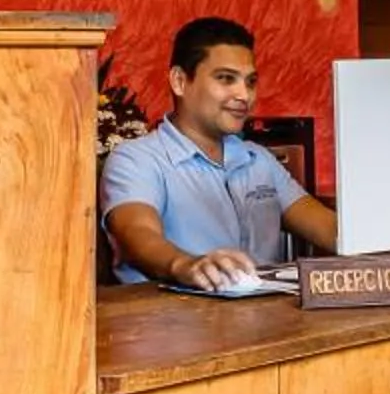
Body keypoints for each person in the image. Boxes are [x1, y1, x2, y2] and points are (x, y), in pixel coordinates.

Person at [103, 16, 337, 289]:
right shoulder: (136, 159)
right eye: (226, 79)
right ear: (179, 81)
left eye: (250, 82)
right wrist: (186, 265)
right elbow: (137, 235)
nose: (244, 95)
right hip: (171, 314)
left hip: (267, 313)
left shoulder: (259, 160)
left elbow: (329, 230)